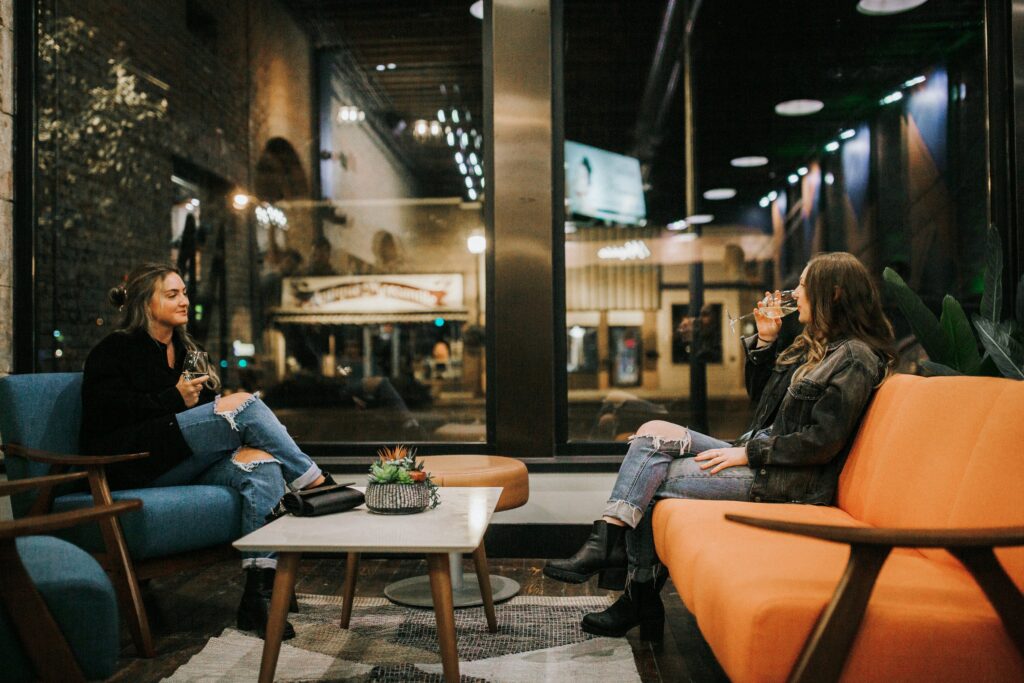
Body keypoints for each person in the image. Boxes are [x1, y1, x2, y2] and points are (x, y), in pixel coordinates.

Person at [544, 252, 896, 641]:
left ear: (834, 293)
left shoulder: (855, 358)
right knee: (652, 432)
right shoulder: (815, 345)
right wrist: (765, 339)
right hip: (761, 455)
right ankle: (612, 545)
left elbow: (822, 442)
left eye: (802, 284)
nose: (794, 291)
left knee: (653, 479)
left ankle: (634, 588)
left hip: (789, 480)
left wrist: (747, 454)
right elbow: (763, 404)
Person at [81, 262, 337, 641]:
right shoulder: (114, 351)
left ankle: (258, 596)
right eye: (172, 294)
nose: (184, 300)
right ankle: (313, 481)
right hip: (134, 462)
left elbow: (208, 408)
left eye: (184, 292)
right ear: (144, 303)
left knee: (263, 467)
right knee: (246, 404)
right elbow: (107, 413)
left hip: (181, 458)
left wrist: (208, 408)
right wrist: (174, 398)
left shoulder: (185, 348)